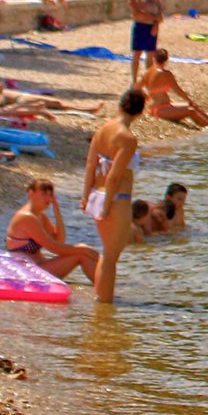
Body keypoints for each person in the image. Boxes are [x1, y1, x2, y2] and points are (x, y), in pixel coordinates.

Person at [84, 88, 145, 303]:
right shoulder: (128, 138)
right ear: (140, 113)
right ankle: (105, 307)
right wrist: (107, 205)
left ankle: (100, 302)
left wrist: (86, 197)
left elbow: (90, 165)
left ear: (120, 105)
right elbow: (114, 176)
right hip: (116, 199)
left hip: (96, 194)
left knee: (107, 254)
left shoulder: (102, 130)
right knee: (111, 257)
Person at [8, 179, 100, 283]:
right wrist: (83, 249)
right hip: (27, 271)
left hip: (38, 266)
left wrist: (57, 212)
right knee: (82, 255)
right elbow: (54, 248)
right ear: (31, 193)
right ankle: (104, 288)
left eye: (50, 195)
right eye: (43, 194)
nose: (48, 198)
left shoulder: (40, 216)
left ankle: (104, 285)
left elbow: (59, 241)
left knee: (85, 254)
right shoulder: (27, 217)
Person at [139, 49, 208, 128]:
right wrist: (189, 101)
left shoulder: (148, 72)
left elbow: (138, 87)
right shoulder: (166, 74)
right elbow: (177, 90)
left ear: (154, 58)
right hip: (158, 109)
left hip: (159, 106)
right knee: (191, 110)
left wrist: (147, 98)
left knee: (193, 107)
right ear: (166, 60)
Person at [125, 0, 165, 87]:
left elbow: (159, 10)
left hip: (152, 26)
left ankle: (149, 79)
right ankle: (134, 80)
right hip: (140, 26)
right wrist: (153, 17)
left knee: (151, 54)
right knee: (137, 53)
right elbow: (137, 12)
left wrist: (156, 23)